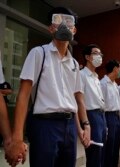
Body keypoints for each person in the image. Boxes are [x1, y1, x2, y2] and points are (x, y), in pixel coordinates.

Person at [6, 7, 90, 167]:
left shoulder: (74, 63)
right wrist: (17, 138)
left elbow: (78, 98)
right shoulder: (38, 53)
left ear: (74, 29)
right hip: (45, 126)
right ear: (51, 27)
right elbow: (23, 95)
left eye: (69, 22)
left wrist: (84, 126)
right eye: (58, 21)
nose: (64, 26)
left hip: (70, 126)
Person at [80, 44, 106, 167]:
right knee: (94, 154)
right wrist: (86, 124)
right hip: (91, 116)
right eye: (96, 53)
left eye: (100, 54)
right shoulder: (81, 75)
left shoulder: (96, 77)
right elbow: (79, 100)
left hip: (101, 115)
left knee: (101, 153)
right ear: (87, 57)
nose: (99, 56)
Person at [100, 60, 120, 167]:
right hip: (108, 117)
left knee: (116, 146)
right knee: (109, 147)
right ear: (115, 68)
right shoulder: (103, 84)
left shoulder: (115, 84)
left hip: (117, 116)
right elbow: (101, 104)